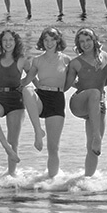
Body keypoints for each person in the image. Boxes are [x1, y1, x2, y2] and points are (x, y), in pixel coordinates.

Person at [21, 28, 70, 178]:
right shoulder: (37, 60)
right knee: (27, 91)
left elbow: (73, 81)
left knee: (53, 147)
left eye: (52, 39)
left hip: (57, 100)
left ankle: (52, 179)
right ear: (42, 42)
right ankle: (38, 131)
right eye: (46, 40)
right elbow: (26, 81)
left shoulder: (67, 60)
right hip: (41, 97)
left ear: (58, 41)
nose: (49, 43)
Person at [0, 30, 29, 176]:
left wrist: (25, 85)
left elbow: (33, 75)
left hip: (16, 100)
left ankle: (11, 175)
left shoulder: (21, 59)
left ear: (16, 42)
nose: (7, 43)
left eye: (10, 40)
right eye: (4, 40)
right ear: (0, 43)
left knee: (13, 140)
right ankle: (5, 146)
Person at [64, 28, 107, 177]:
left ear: (94, 40)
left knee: (94, 148)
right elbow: (65, 86)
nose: (85, 44)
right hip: (80, 102)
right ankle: (97, 136)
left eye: (88, 40)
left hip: (98, 104)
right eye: (81, 41)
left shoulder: (105, 57)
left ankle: (88, 178)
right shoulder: (75, 63)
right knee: (95, 92)